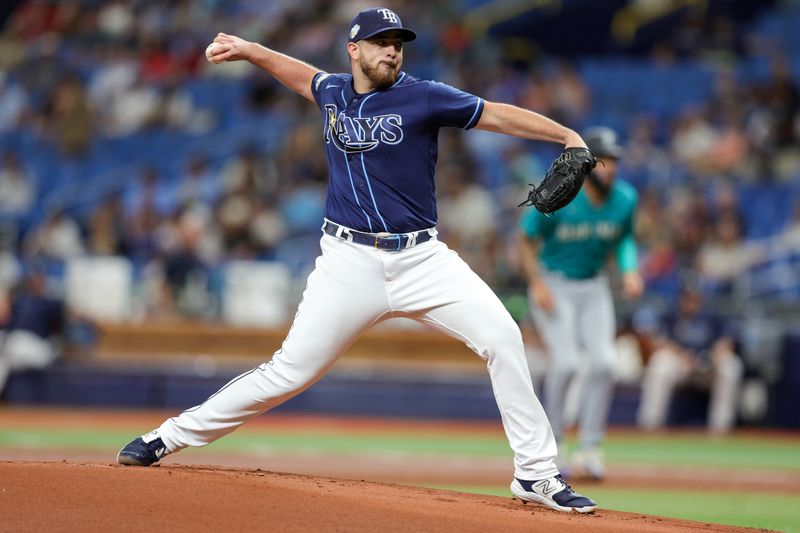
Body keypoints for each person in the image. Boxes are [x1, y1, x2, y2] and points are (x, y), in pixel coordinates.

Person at [117, 8, 596, 513]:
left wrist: (567, 135)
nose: (391, 49)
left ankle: (536, 474)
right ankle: (166, 437)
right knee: (288, 372)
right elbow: (302, 75)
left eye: (398, 42)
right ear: (354, 49)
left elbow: (495, 112)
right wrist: (253, 51)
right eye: (380, 41)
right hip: (347, 262)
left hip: (423, 259)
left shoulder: (423, 95)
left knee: (503, 336)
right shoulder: (332, 94)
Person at [518, 127, 643, 481]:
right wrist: (537, 282)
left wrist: (630, 270)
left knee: (604, 363)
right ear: (587, 165)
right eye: (605, 161)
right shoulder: (561, 195)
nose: (611, 168)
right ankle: (551, 449)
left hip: (593, 286)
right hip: (554, 282)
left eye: (615, 161)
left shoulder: (625, 199)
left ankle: (589, 449)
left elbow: (625, 238)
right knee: (568, 363)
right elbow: (526, 239)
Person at [637, 286, 743, 433]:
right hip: (681, 364)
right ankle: (650, 426)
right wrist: (681, 354)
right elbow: (658, 342)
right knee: (659, 363)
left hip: (708, 366)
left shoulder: (712, 315)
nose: (690, 302)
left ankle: (720, 430)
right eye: (686, 298)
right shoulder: (672, 315)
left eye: (693, 298)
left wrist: (714, 355)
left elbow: (726, 342)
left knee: (731, 366)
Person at [0, 269, 65, 396]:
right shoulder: (20, 302)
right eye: (33, 281)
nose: (36, 284)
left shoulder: (52, 304)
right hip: (14, 346)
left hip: (37, 347)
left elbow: (60, 331)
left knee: (14, 346)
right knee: (2, 362)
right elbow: (5, 319)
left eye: (39, 281)